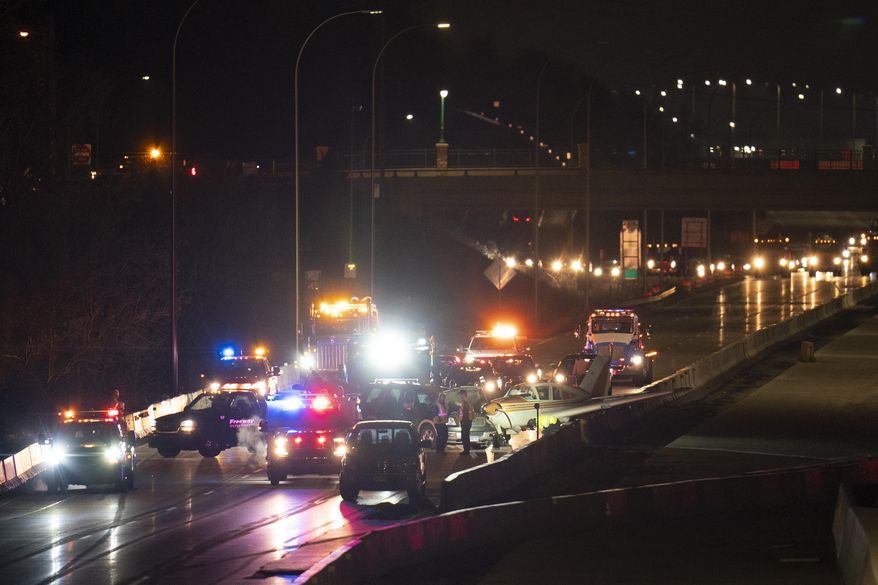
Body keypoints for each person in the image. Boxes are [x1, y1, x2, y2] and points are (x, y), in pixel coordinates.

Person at [458, 389, 474, 455]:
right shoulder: (464, 402)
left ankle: (466, 450)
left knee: (465, 436)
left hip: (467, 421)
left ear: (463, 395)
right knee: (465, 435)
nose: (460, 397)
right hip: (465, 420)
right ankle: (466, 450)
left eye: (460, 395)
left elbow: (469, 411)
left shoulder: (467, 402)